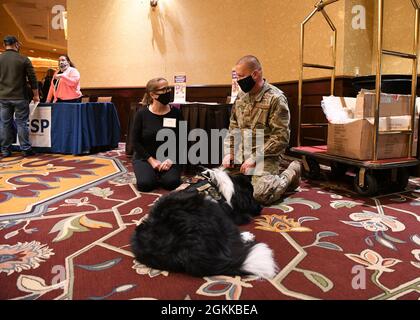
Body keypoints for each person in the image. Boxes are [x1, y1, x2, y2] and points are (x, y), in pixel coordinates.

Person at [222, 55, 301, 206]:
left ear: (255, 74)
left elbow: (281, 138)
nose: (238, 81)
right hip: (242, 156)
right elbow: (233, 128)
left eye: (241, 76)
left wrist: (254, 158)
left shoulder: (276, 99)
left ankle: (291, 173)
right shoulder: (240, 97)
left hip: (266, 156)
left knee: (261, 194)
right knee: (219, 183)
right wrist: (230, 153)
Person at [131, 77, 183, 192]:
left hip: (170, 157)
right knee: (145, 184)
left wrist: (171, 159)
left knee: (172, 183)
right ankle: (152, 173)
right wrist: (152, 161)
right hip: (145, 157)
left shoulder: (176, 113)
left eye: (168, 88)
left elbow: (183, 140)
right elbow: (135, 142)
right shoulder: (141, 114)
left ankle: (161, 174)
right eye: (164, 90)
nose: (168, 92)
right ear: (153, 95)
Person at [0, 35, 39, 158]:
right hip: (20, 97)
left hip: (3, 97)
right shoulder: (24, 59)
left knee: (4, 123)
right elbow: (33, 79)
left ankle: (5, 150)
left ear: (4, 45)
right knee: (21, 123)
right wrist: (36, 95)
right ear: (16, 44)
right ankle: (25, 149)